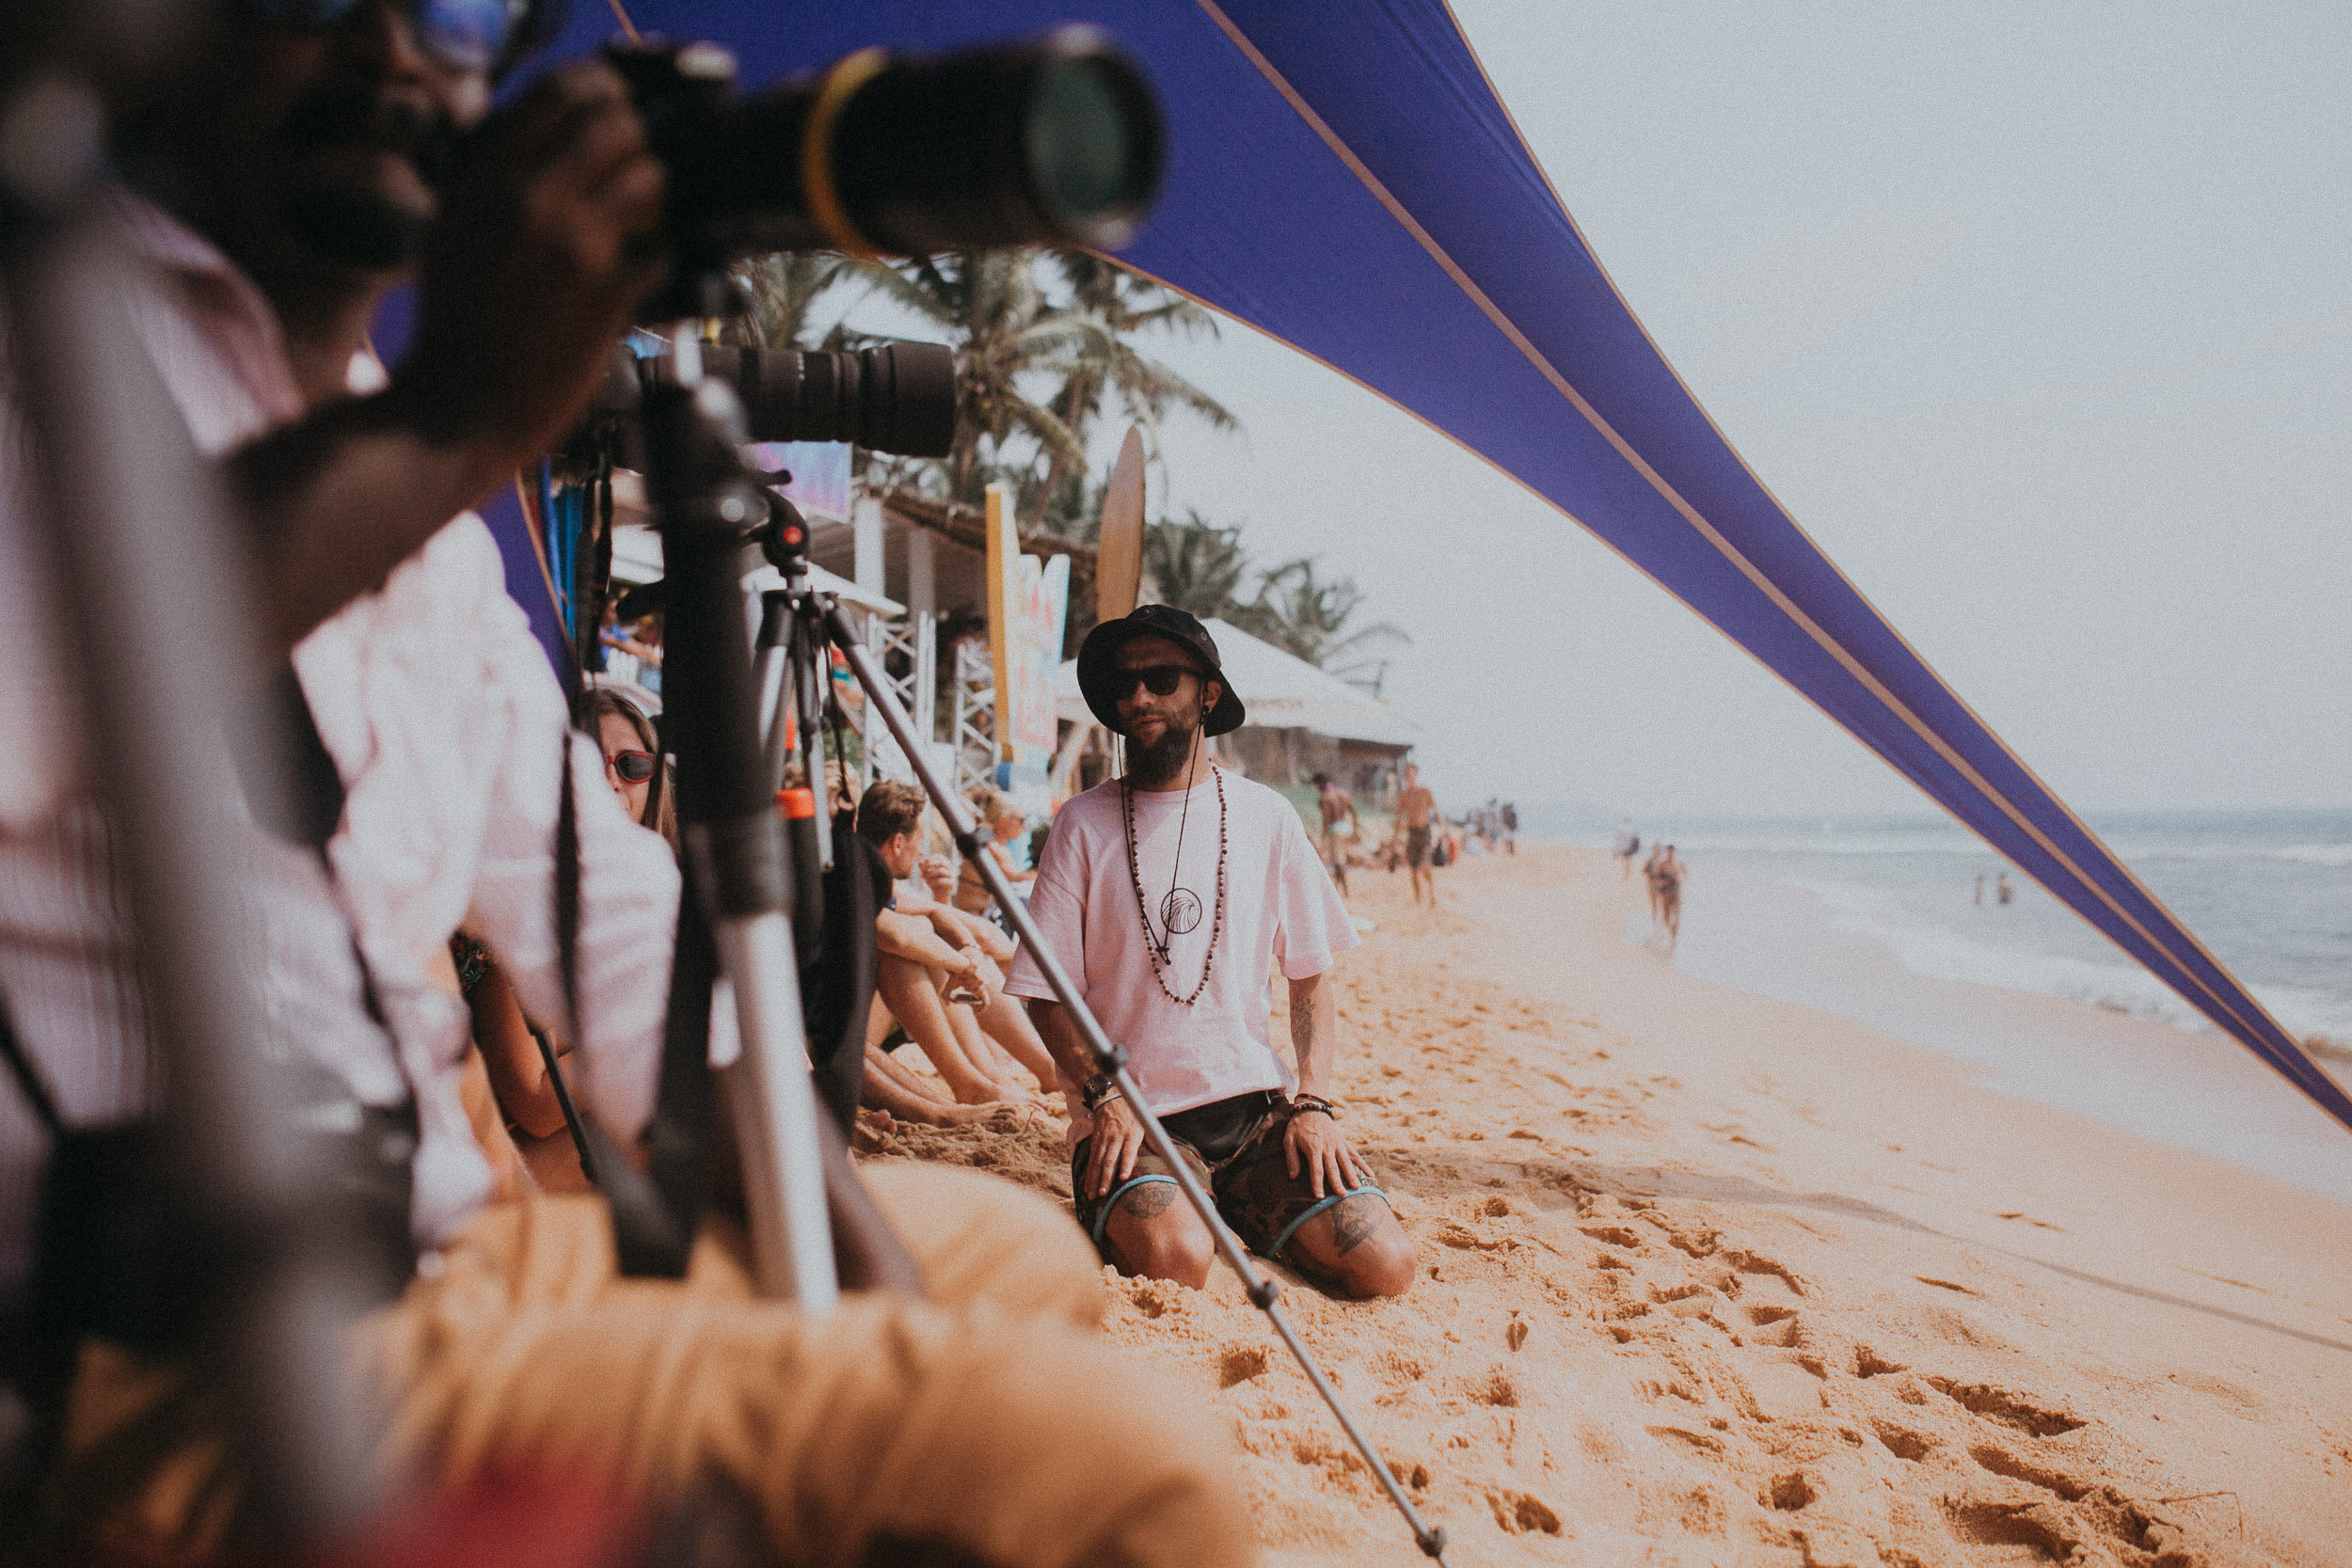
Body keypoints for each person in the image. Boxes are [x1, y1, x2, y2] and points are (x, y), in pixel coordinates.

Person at [0, 6, 1251, 1560]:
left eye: (462, 11)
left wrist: (861, 1281)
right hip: (140, 1356)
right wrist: (449, 418)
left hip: (425, 1271)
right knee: (1126, 1462)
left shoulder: (433, 543)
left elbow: (630, 950)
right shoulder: (52, 331)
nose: (400, 48)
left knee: (1003, 1261)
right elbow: (58, 665)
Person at [1009, 606, 1416, 1301]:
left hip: (1254, 1114)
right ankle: (1186, 1205)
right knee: (1177, 1262)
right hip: (1130, 1115)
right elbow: (1046, 994)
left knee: (1385, 1263)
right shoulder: (1081, 823)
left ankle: (1229, 1200)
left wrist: (1315, 1101)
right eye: (1124, 684)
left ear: (1208, 694)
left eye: (1160, 678)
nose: (1137, 697)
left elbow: (1310, 977)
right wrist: (1101, 1097)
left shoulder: (1268, 816)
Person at [857, 781, 1054, 1109]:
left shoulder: (868, 872)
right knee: (913, 948)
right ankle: (978, 1081)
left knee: (943, 942)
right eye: (920, 842)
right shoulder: (854, 875)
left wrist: (966, 951)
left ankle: (1004, 1076)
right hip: (842, 1032)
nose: (922, 852)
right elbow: (895, 936)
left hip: (865, 1018)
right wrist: (963, 964)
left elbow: (939, 913)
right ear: (897, 843)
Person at [953, 785, 1036, 920]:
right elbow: (1013, 878)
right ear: (1003, 821)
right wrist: (1039, 875)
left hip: (971, 915)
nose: (1024, 826)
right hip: (973, 919)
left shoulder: (985, 841)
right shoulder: (994, 849)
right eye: (1021, 820)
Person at [1396, 762, 1438, 907]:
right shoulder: (1403, 796)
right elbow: (1399, 817)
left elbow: (1436, 811)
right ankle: (1418, 899)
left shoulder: (1425, 792)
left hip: (1425, 832)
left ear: (1416, 774)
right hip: (1412, 833)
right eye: (1406, 773)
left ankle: (1432, 893)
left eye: (1410, 772)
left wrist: (1443, 830)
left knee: (1424, 866)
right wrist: (1394, 838)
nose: (1408, 775)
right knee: (1413, 869)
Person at [1313, 772, 1357, 895]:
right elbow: (1354, 813)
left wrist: (1323, 835)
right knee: (1341, 860)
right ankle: (1341, 888)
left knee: (1338, 862)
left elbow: (1326, 819)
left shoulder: (1325, 798)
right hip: (1347, 828)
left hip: (1335, 830)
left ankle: (1341, 889)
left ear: (1318, 785)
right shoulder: (1343, 793)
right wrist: (1355, 831)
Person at [1652, 844, 1687, 952]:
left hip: (1676, 891)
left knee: (1676, 915)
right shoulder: (1663, 864)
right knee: (1666, 914)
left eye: (1672, 851)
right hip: (1666, 891)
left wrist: (1680, 879)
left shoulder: (1678, 862)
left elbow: (1686, 873)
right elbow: (1656, 876)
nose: (1670, 853)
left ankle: (1674, 937)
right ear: (1667, 851)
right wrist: (1663, 882)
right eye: (1669, 851)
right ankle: (1669, 931)